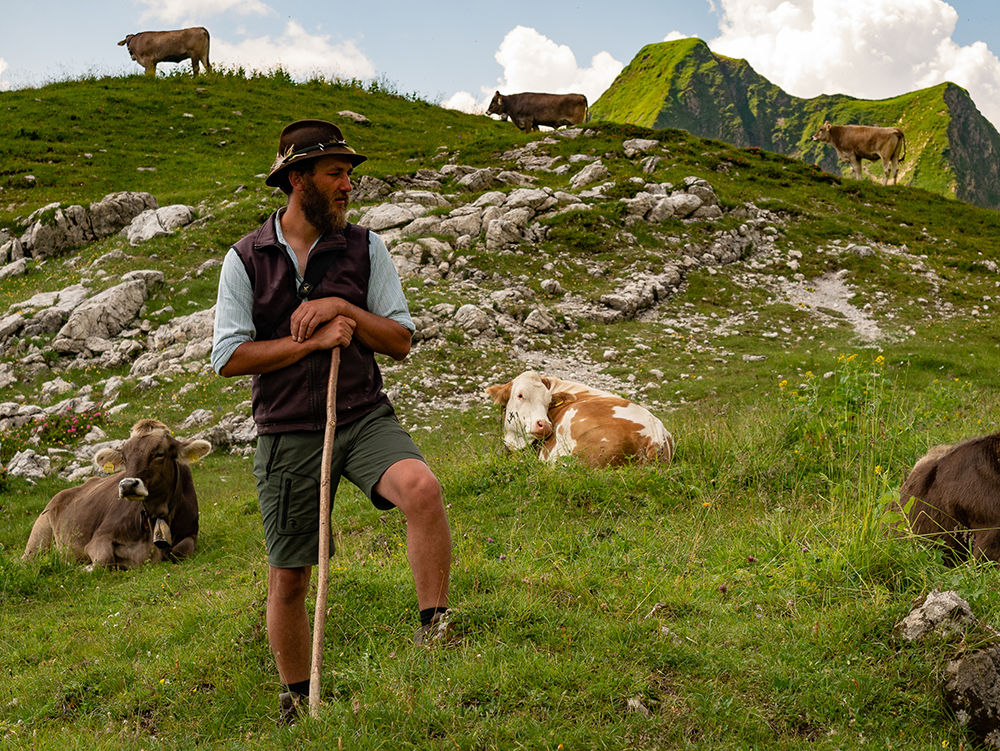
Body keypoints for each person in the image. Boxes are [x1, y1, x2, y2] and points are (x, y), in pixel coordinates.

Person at [211, 119, 452, 724]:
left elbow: (399, 339)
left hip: (362, 415)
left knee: (422, 489)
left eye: (350, 173)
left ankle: (437, 628)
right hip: (288, 430)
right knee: (290, 576)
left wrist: (343, 307)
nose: (348, 185)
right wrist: (308, 343)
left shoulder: (367, 248)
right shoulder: (245, 259)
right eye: (335, 173)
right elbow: (228, 357)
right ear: (298, 180)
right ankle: (297, 696)